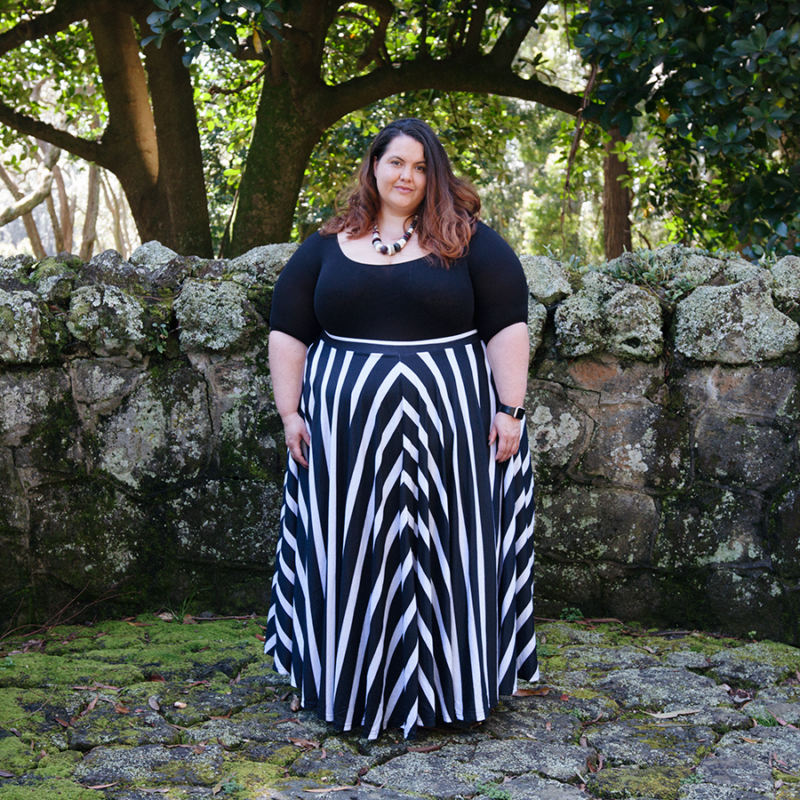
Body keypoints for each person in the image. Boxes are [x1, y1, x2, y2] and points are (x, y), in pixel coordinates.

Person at [263, 118, 537, 740]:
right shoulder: (327, 244)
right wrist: (289, 412)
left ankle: (454, 691)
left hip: (453, 432)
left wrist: (511, 409)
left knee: (451, 552)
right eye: (395, 164)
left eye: (419, 166)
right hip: (346, 439)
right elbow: (287, 329)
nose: (406, 176)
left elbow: (507, 326)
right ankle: (352, 686)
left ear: (432, 174)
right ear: (374, 167)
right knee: (353, 550)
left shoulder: (469, 241)